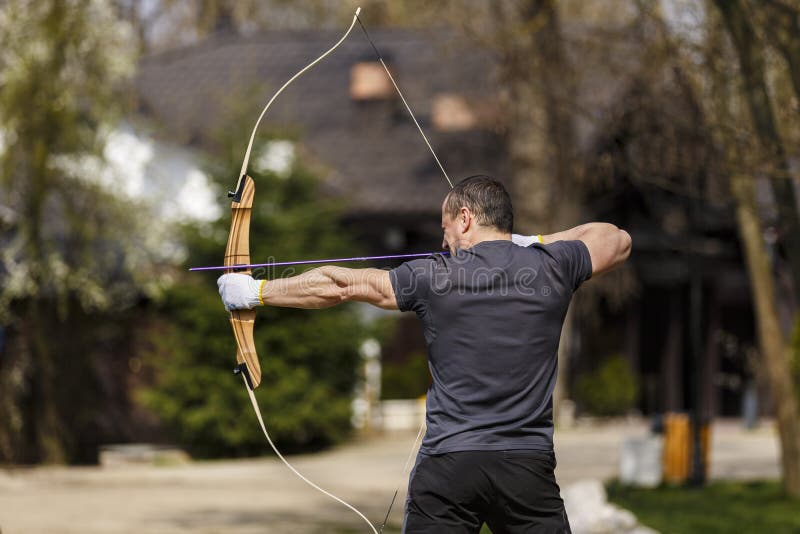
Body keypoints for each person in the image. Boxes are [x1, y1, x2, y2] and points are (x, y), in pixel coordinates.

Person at [218, 175, 632, 533]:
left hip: (449, 467)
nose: (443, 239)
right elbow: (616, 239)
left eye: (446, 227)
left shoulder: (433, 275)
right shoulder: (551, 266)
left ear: (466, 218)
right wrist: (534, 243)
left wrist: (256, 292)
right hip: (525, 466)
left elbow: (341, 284)